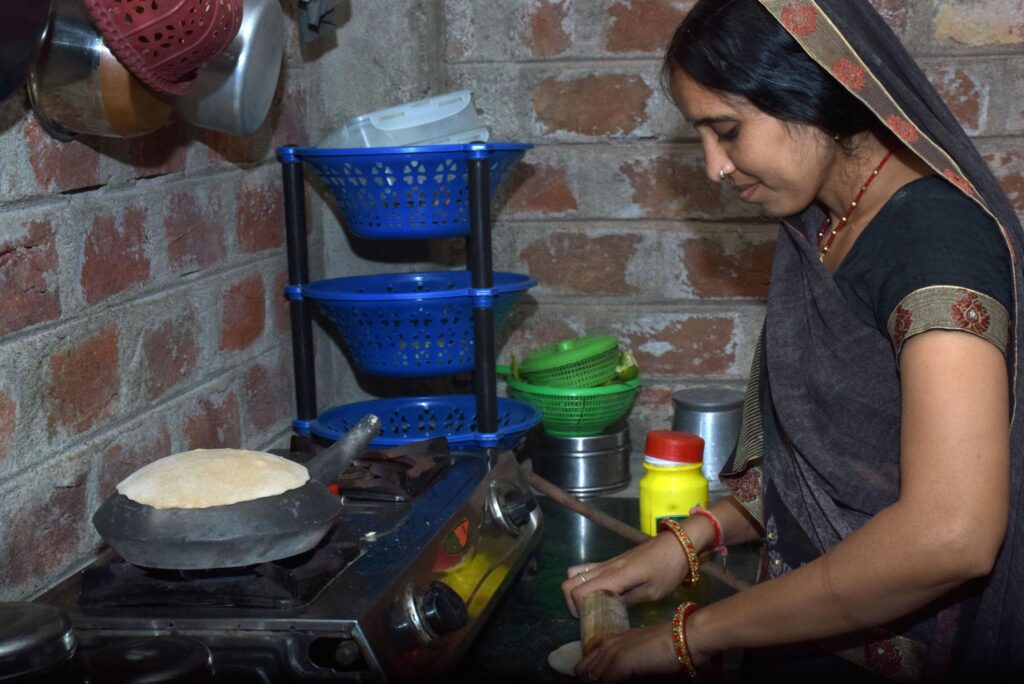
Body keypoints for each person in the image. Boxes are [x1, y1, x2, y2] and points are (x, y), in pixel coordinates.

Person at [561, 0, 1024, 681]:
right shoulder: (826, 225)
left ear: (810, 94)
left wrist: (691, 636)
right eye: (703, 138)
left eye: (728, 131)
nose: (716, 166)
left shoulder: (934, 248)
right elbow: (845, 469)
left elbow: (948, 535)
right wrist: (691, 540)